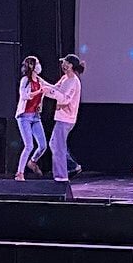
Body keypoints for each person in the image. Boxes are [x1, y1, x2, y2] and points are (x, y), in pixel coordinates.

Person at [41, 54, 84, 182]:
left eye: (65, 63)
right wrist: (40, 83)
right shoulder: (65, 78)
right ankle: (72, 166)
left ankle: (61, 177)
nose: (62, 65)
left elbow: (64, 98)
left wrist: (47, 90)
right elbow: (55, 89)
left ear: (70, 65)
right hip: (61, 117)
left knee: (58, 147)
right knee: (54, 144)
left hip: (66, 118)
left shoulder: (74, 81)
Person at [14, 56, 46, 181]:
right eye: (37, 63)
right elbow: (24, 95)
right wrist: (38, 92)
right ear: (32, 65)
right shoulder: (25, 80)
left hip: (35, 116)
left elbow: (48, 89)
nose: (39, 65)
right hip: (24, 116)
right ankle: (19, 173)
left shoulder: (39, 80)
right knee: (29, 145)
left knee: (43, 145)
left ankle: (32, 162)